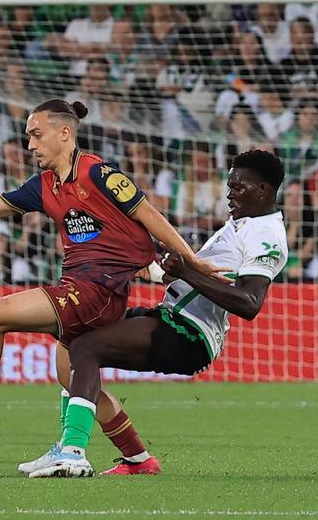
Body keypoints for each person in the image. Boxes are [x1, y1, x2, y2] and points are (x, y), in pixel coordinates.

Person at [0, 99, 226, 447]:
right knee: (72, 378)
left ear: (64, 133)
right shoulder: (44, 184)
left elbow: (150, 215)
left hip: (97, 292)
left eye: (36, 135)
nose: (30, 145)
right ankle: (138, 457)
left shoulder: (99, 173)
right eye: (28, 137)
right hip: (82, 288)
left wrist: (192, 262)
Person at [25, 150, 288, 478]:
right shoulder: (239, 226)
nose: (230, 192)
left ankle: (73, 452)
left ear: (263, 190)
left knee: (86, 348)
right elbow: (184, 274)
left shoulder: (266, 234)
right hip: (171, 316)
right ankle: (136, 459)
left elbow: (249, 303)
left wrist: (187, 273)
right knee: (75, 331)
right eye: (230, 185)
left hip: (191, 333)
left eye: (239, 186)